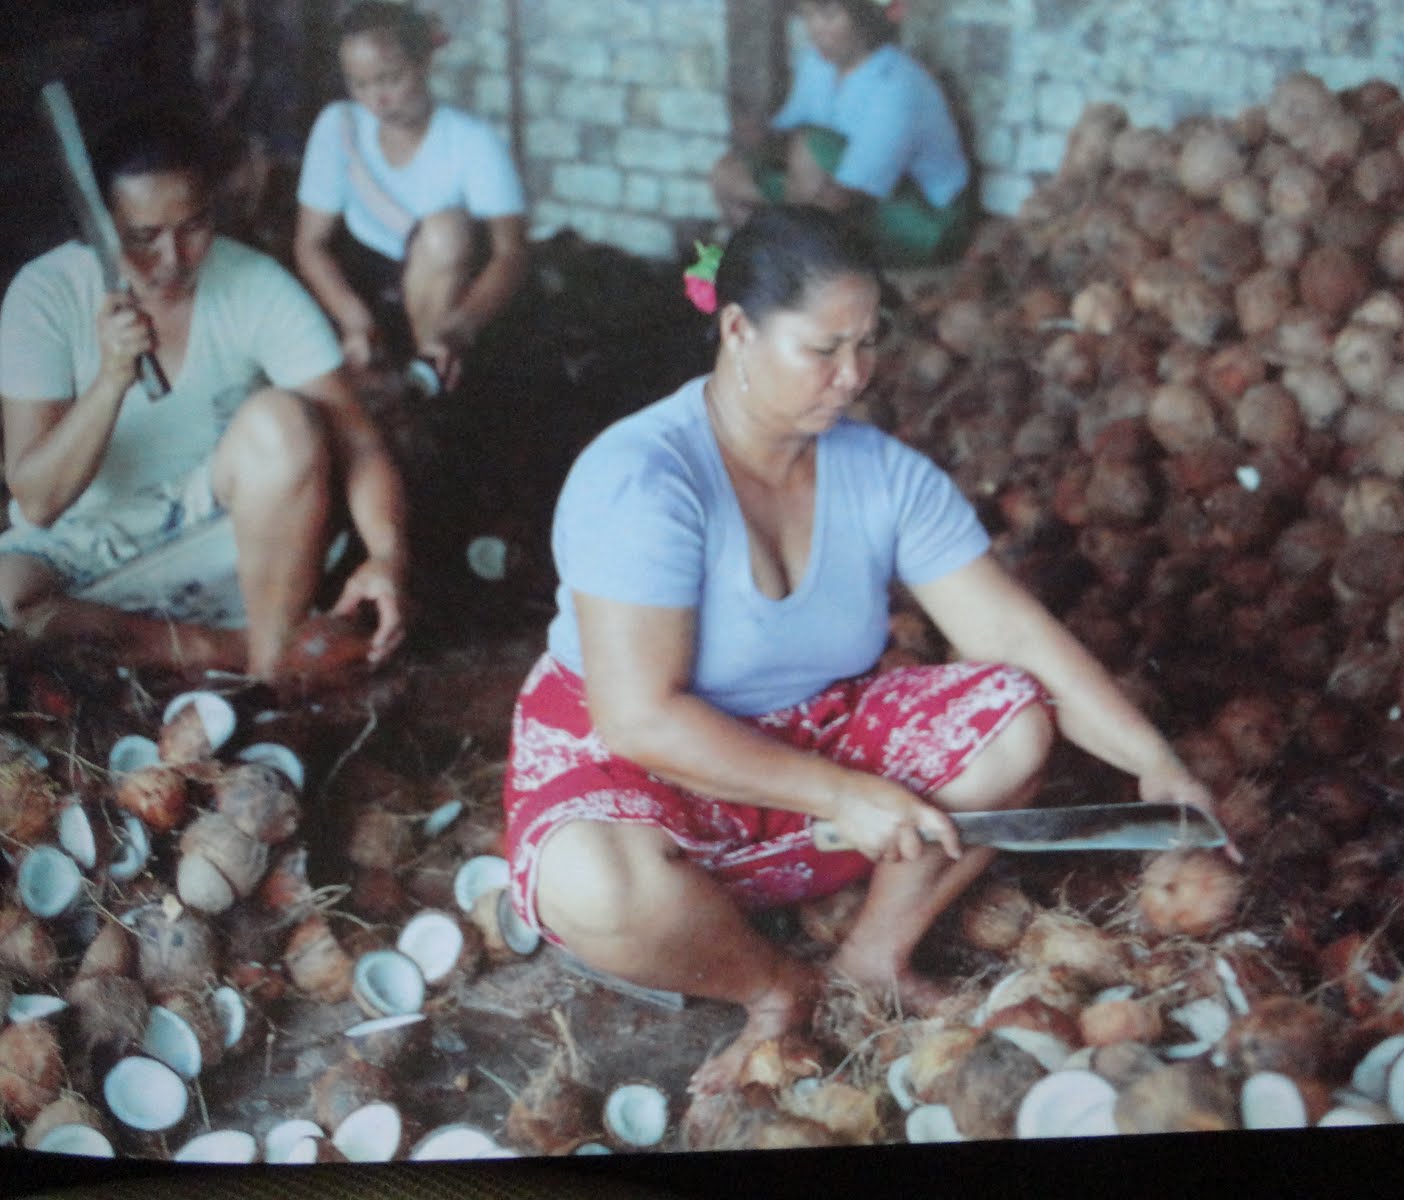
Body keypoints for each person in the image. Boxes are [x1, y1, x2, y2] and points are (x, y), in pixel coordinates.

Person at [501, 205, 1225, 1096]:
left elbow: (1009, 633)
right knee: (594, 885)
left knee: (1014, 724)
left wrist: (1154, 763)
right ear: (737, 329)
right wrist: (846, 792)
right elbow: (640, 714)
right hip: (641, 760)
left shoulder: (882, 473)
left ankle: (870, 960)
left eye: (869, 345)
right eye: (823, 349)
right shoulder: (641, 478)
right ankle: (773, 989)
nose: (853, 377)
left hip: (811, 742)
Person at [0, 105, 408, 683]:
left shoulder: (255, 284)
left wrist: (388, 555)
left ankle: (267, 674)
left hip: (215, 530)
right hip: (88, 544)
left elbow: (358, 443)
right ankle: (238, 647)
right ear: (95, 225)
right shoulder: (44, 296)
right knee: (14, 600)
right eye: (143, 237)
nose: (173, 260)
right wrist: (111, 380)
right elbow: (38, 501)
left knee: (284, 423)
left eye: (193, 227)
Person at [293, 0, 529, 393]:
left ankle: (429, 382)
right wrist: (355, 320)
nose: (375, 99)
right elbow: (310, 244)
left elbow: (512, 253)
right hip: (359, 290)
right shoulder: (339, 125)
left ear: (423, 63)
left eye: (390, 79)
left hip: (439, 296)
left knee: (446, 230)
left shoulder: (472, 141)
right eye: (360, 84)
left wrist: (458, 328)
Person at [710, 0, 974, 270]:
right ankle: (764, 262)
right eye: (807, 15)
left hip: (924, 221)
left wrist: (775, 214)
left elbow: (847, 196)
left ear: (863, 16)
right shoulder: (816, 64)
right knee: (727, 173)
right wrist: (756, 141)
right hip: (832, 192)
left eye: (828, 15)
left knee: (808, 151)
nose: (814, 29)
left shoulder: (897, 84)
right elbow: (786, 129)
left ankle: (791, 269)